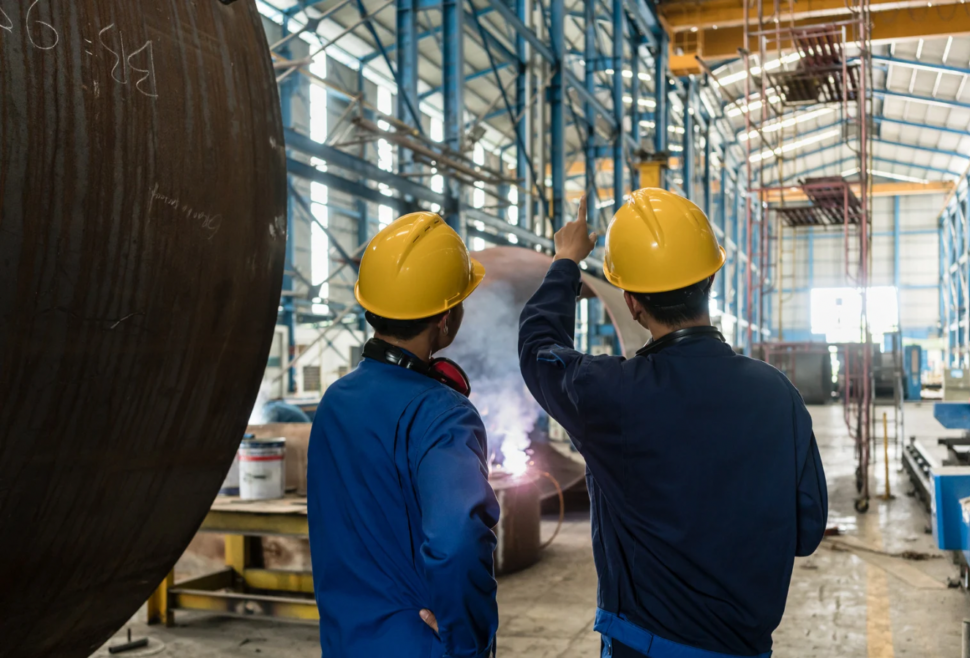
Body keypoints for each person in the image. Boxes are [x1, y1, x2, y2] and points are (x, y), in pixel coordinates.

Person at [519, 189, 827, 658]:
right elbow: (806, 531)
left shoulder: (613, 395)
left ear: (633, 302)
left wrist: (565, 262)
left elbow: (538, 348)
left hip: (647, 647)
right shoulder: (778, 393)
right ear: (710, 280)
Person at [307, 211, 499, 658]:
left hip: (345, 642)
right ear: (446, 317)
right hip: (421, 645)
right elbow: (456, 543)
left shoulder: (334, 401)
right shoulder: (443, 413)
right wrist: (466, 640)